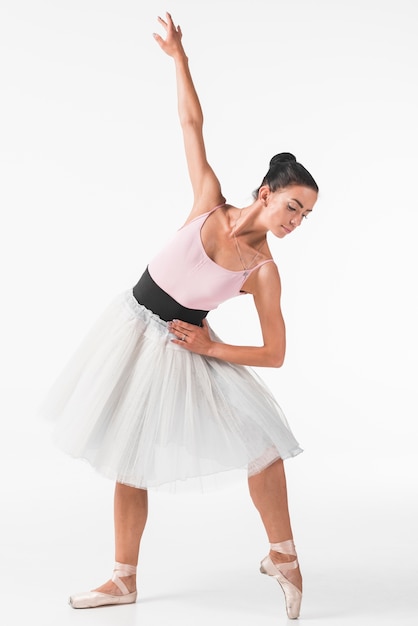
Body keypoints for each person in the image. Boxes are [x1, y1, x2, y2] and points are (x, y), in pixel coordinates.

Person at [41, 12, 318, 620]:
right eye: (293, 207)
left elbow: (276, 354)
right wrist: (178, 59)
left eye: (305, 217)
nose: (296, 223)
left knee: (264, 444)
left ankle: (285, 556)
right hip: (130, 329)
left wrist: (210, 348)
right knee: (127, 456)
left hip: (185, 346)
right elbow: (192, 122)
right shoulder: (207, 203)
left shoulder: (263, 271)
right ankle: (123, 579)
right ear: (266, 193)